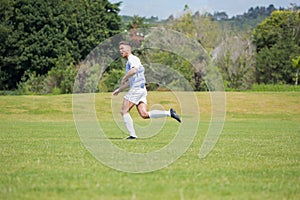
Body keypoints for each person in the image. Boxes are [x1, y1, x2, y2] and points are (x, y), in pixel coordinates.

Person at [113, 41, 181, 140]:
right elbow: (131, 81)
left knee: (124, 111)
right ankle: (169, 113)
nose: (120, 51)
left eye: (122, 48)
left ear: (128, 49)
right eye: (120, 49)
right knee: (144, 114)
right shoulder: (131, 60)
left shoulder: (133, 59)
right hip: (141, 90)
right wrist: (119, 89)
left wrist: (124, 77)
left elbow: (134, 70)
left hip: (136, 90)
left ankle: (133, 135)